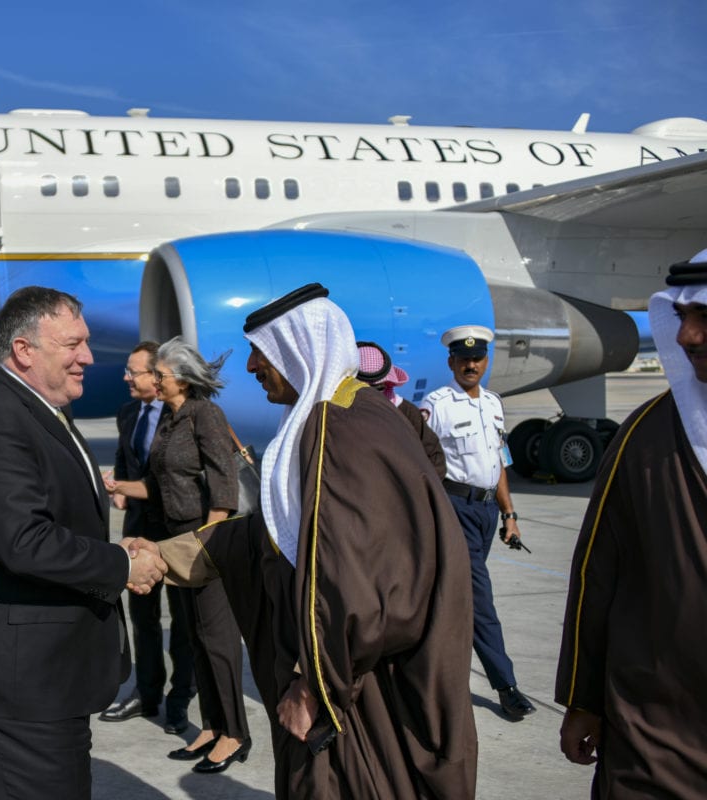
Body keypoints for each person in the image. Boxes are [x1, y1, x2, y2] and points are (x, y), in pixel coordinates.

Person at [155, 283, 478, 798]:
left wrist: (315, 686)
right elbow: (286, 539)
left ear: (298, 351)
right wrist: (168, 556)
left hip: (357, 696)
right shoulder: (340, 415)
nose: (252, 368)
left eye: (261, 354)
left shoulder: (341, 428)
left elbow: (363, 583)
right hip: (346, 683)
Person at [0, 286, 166, 800]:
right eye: (73, 344)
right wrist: (118, 564)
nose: (88, 357)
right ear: (24, 350)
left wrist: (121, 549)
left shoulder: (34, 407)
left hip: (44, 676)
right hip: (14, 681)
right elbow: (23, 540)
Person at [554, 253, 707, 795]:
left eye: (705, 317)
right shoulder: (644, 437)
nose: (687, 335)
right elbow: (597, 578)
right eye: (682, 315)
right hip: (654, 736)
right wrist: (583, 699)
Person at [106, 336, 249, 774]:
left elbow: (224, 484)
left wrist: (206, 541)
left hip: (203, 541)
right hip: (172, 542)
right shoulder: (171, 419)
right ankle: (210, 725)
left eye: (161, 374)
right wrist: (113, 485)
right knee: (194, 636)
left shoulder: (205, 415)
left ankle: (235, 734)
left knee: (217, 641)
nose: (156, 380)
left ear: (181, 379)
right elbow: (155, 485)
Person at [421, 325, 536, 721]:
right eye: (463, 359)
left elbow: (498, 462)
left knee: (454, 600)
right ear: (451, 362)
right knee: (479, 601)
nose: (471, 365)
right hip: (455, 510)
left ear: (486, 361)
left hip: (487, 513)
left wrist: (509, 515)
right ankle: (506, 687)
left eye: (477, 358)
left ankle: (428, 677)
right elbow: (421, 464)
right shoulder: (437, 406)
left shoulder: (493, 403)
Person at [99, 342, 196, 735]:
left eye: (133, 371)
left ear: (157, 377)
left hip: (175, 531)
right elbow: (126, 460)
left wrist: (124, 485)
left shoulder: (181, 417)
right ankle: (148, 692)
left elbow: (176, 478)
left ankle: (179, 700)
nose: (126, 377)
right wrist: (121, 488)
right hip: (138, 529)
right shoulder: (127, 414)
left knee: (184, 620)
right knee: (143, 617)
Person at [355, 340, 446, 478]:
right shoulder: (338, 415)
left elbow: (434, 458)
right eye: (363, 389)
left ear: (387, 384)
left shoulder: (407, 413)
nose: (371, 396)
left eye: (377, 389)